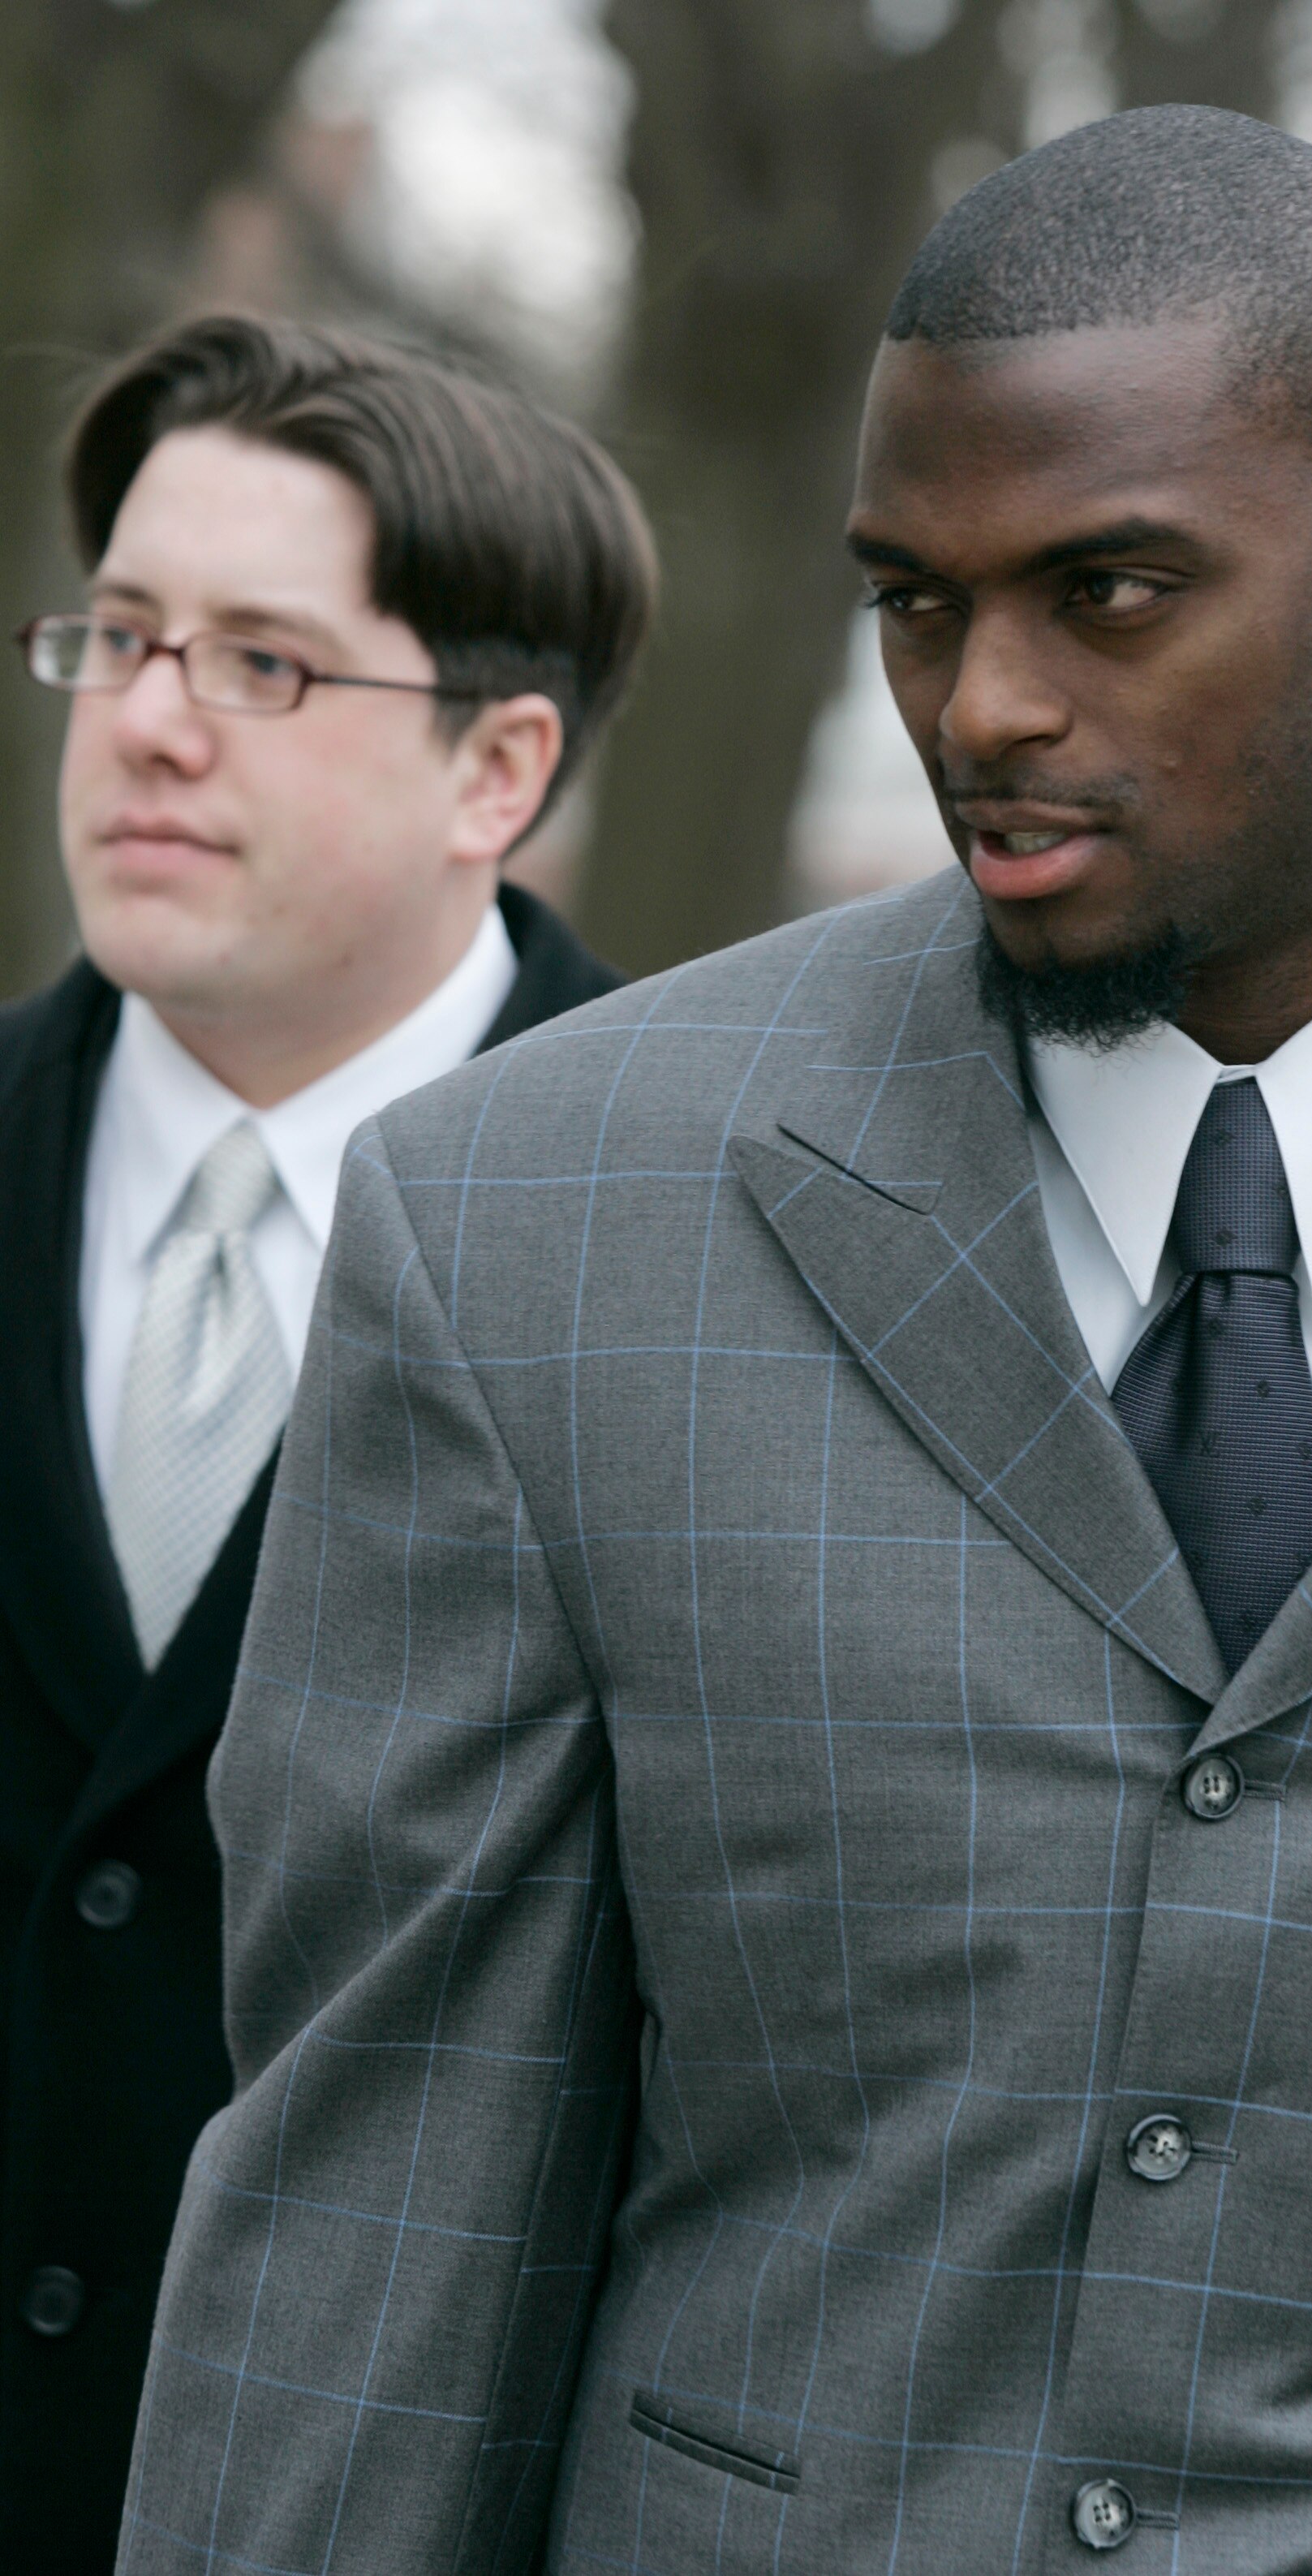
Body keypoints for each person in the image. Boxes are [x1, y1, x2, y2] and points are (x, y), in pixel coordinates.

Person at [122, 112, 1312, 2574]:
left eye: (1110, 589)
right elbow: (369, 2259)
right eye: (916, 604)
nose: (986, 706)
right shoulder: (528, 1228)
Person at [0, 312, 650, 2575]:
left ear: (500, 768)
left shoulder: (721, 1271)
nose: (149, 723)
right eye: (122, 636)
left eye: (264, 664)